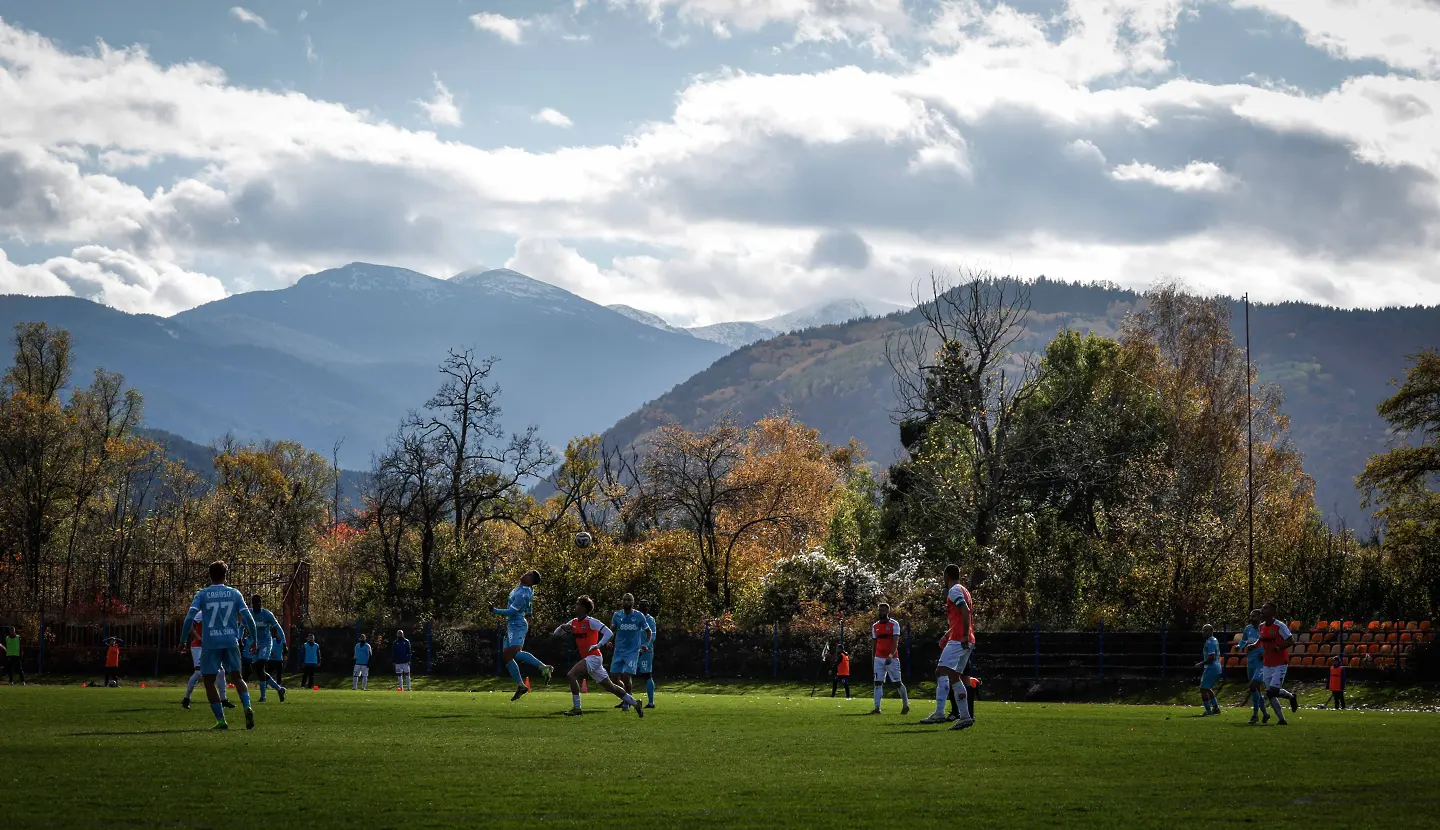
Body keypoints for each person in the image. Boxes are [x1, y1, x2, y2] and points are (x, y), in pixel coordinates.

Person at [178, 560, 260, 729]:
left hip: (211, 644)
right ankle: (247, 706)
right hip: (230, 641)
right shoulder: (235, 593)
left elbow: (189, 618)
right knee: (237, 677)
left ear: (210, 575)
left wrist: (182, 640)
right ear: (225, 575)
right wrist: (254, 640)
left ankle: (221, 720)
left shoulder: (202, 594)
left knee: (208, 681)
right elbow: (249, 619)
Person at [551, 596, 642, 717]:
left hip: (593, 657)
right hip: (591, 659)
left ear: (584, 608)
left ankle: (577, 708)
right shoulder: (573, 622)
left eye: (578, 604)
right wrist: (562, 627)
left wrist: (598, 645)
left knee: (571, 675)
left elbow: (609, 632)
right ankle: (635, 703)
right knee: (611, 688)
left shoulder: (591, 621)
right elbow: (556, 634)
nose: (575, 606)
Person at [919, 564, 976, 731]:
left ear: (946, 576)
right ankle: (965, 717)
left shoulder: (954, 590)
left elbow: (965, 612)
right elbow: (960, 617)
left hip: (960, 639)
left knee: (941, 671)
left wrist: (963, 635)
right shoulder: (964, 590)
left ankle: (940, 713)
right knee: (954, 675)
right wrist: (948, 633)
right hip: (962, 638)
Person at [493, 570, 553, 701]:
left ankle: (543, 667)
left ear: (531, 581)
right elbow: (529, 609)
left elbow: (510, 612)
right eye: (528, 573)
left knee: (515, 652)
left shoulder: (523, 593)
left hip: (517, 624)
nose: (526, 575)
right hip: (512, 625)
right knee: (507, 657)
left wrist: (494, 610)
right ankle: (521, 686)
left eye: (529, 575)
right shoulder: (523, 588)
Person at [1257, 603, 1298, 725]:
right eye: (1262, 608)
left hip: (1280, 662)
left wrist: (1279, 647)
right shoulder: (1261, 626)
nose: (1263, 610)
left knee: (1272, 691)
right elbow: (1262, 641)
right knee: (1271, 693)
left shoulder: (1280, 626)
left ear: (1273, 611)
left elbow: (1291, 641)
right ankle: (1282, 719)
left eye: (1265, 608)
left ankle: (1291, 697)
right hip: (1267, 663)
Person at [182, 610, 231, 711]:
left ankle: (224, 700)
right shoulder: (201, 613)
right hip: (198, 647)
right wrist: (198, 637)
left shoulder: (218, 613)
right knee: (198, 672)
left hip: (211, 647)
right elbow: (189, 625)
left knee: (221, 672)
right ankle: (186, 698)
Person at [608, 593, 652, 706]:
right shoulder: (617, 615)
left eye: (629, 600)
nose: (626, 602)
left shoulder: (639, 616)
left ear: (633, 602)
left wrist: (645, 644)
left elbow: (648, 632)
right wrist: (608, 640)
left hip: (632, 652)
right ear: (622, 602)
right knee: (614, 678)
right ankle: (627, 698)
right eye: (624, 600)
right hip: (618, 651)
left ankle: (627, 702)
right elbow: (611, 630)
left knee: (626, 676)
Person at [868, 602, 909, 715]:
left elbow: (896, 642)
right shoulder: (875, 626)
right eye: (879, 610)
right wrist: (873, 658)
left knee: (897, 683)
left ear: (887, 611)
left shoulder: (894, 624)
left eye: (882, 610)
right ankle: (877, 708)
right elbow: (874, 644)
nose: (880, 612)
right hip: (878, 658)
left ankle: (905, 705)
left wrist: (891, 655)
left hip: (892, 658)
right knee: (877, 683)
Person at [248, 595, 286, 703]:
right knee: (259, 670)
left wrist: (284, 643)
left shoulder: (267, 614)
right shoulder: (249, 613)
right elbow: (242, 627)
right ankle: (279, 689)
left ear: (261, 603)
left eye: (259, 602)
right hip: (255, 643)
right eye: (255, 603)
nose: (258, 604)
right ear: (253, 604)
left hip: (266, 643)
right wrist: (239, 639)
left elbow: (278, 627)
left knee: (260, 665)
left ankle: (263, 697)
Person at [1237, 609, 1269, 724]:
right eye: (1251, 616)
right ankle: (1264, 713)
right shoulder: (1248, 628)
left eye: (1254, 616)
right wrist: (1239, 646)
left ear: (1260, 617)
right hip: (1250, 661)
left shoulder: (1264, 629)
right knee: (1255, 690)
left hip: (1260, 663)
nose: (1252, 618)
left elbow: (1269, 643)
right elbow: (1244, 641)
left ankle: (1255, 715)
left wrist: (1264, 653)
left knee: (1254, 686)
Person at [1196, 624, 1223, 715]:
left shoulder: (1210, 642)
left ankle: (1208, 710)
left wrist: (1201, 663)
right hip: (1217, 667)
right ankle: (1215, 707)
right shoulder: (1214, 640)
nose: (1203, 632)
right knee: (1207, 688)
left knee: (1203, 689)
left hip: (1211, 667)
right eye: (1203, 630)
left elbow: (1211, 657)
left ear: (1211, 631)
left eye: (1206, 630)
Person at [636, 600, 657, 709]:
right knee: (625, 673)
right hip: (633, 651)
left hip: (645, 653)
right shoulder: (636, 618)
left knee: (647, 675)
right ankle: (625, 699)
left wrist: (644, 647)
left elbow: (652, 637)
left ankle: (651, 702)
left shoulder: (650, 620)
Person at [267, 624, 287, 690]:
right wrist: (272, 653)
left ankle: (279, 685)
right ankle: (266, 684)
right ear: (276, 634)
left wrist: (285, 656)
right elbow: (269, 647)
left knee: (279, 673)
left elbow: (285, 649)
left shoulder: (283, 642)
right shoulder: (273, 640)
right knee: (269, 672)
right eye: (278, 633)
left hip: (279, 659)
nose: (279, 635)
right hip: (271, 659)